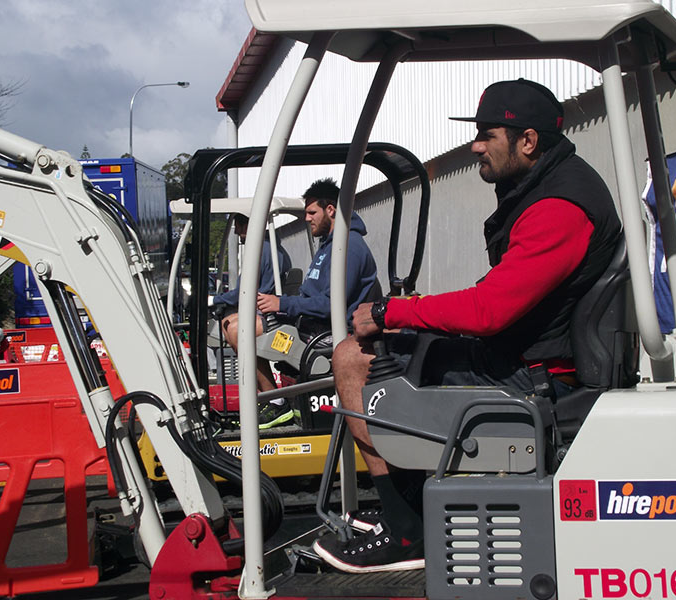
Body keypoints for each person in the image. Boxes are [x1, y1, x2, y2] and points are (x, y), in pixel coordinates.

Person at [314, 79, 622, 573]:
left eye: (487, 135)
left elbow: (488, 311)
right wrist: (413, 316)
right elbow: (501, 295)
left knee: (353, 358)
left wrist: (392, 312)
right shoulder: (544, 188)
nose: (476, 146)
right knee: (404, 343)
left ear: (528, 141)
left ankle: (407, 529)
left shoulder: (558, 208)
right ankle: (412, 505)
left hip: (535, 377)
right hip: (526, 355)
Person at [224, 177, 378, 429]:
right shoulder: (329, 246)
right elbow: (312, 296)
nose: (307, 218)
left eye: (312, 212)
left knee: (239, 330)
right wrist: (282, 305)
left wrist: (282, 305)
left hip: (326, 333)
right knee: (232, 323)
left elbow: (331, 305)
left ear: (331, 210)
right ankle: (272, 398)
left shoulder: (349, 247)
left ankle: (276, 403)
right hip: (310, 323)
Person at [212, 213, 292, 310]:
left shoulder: (259, 251)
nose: (236, 232)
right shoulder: (277, 249)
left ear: (247, 227)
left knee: (226, 318)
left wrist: (213, 300)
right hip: (269, 305)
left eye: (237, 227)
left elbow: (243, 292)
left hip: (260, 308)